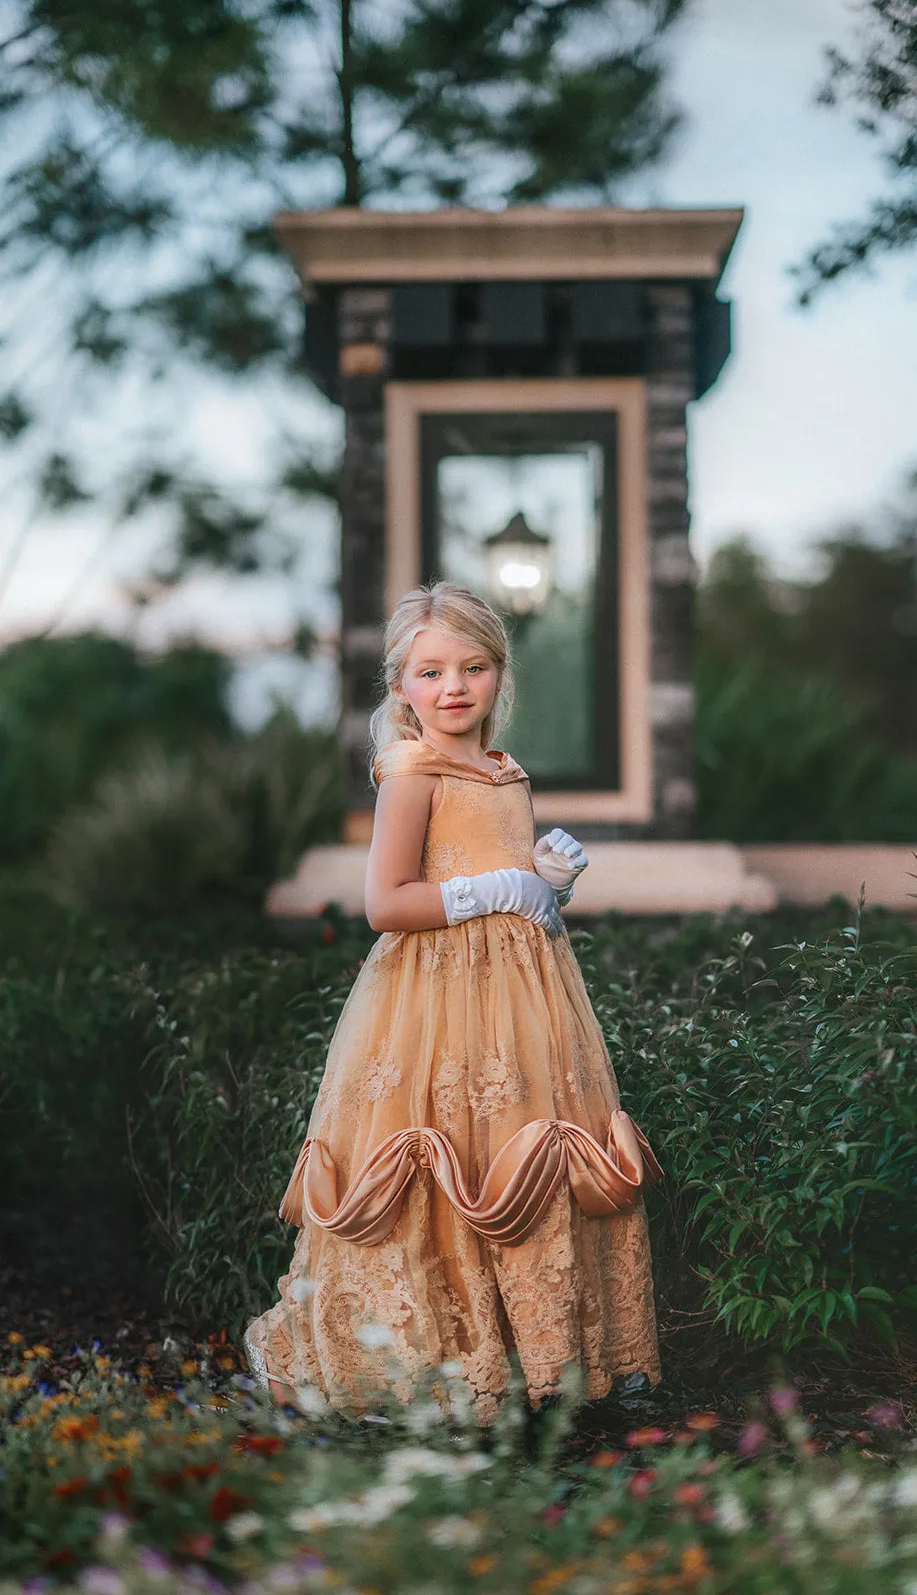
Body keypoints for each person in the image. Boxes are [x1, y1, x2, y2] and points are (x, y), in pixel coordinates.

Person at [244, 581, 661, 1420]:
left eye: (472, 668)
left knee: (516, 1148)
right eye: (430, 673)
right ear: (400, 687)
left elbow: (513, 898)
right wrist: (498, 884)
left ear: (499, 676)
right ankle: (440, 1363)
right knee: (443, 1157)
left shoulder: (503, 772)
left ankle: (533, 1358)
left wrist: (545, 882)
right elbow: (387, 904)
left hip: (523, 997)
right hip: (432, 1000)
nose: (453, 688)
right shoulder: (412, 772)